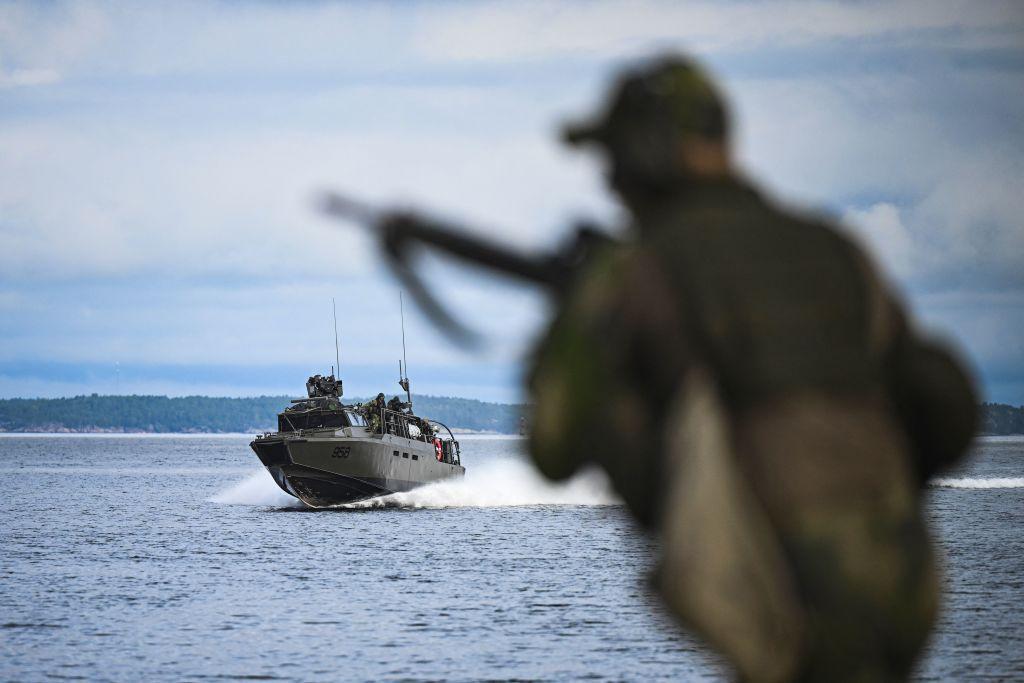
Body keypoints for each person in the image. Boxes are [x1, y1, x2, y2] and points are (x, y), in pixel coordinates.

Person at [526, 55, 977, 682]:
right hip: (902, 588)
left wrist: (576, 329)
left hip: (765, 594)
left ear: (647, 157)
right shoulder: (835, 253)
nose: (609, 180)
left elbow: (551, 445)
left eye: (615, 160)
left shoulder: (634, 273)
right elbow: (951, 413)